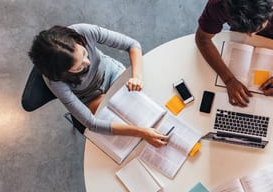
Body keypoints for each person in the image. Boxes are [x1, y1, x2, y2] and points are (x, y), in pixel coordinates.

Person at [28, 23, 169, 146]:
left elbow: (133, 45)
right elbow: (92, 124)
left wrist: (137, 77)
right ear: (62, 73)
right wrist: (141, 132)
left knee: (147, 103)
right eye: (78, 67)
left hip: (111, 73)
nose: (88, 63)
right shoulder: (55, 81)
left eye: (84, 53)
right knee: (123, 125)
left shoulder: (83, 31)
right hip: (88, 97)